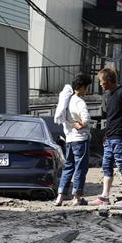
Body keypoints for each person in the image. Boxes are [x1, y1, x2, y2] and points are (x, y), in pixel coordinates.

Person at [90, 67, 122, 206]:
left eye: (101, 81)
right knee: (106, 166)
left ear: (108, 80)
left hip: (119, 138)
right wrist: (105, 136)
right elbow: (111, 119)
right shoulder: (109, 96)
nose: (100, 84)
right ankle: (104, 196)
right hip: (109, 138)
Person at [53, 73, 92, 206]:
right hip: (80, 139)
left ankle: (60, 196)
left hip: (69, 140)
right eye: (86, 87)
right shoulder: (79, 101)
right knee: (80, 168)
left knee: (68, 167)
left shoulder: (66, 100)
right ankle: (77, 197)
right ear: (81, 87)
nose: (87, 91)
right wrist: (82, 124)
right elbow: (86, 118)